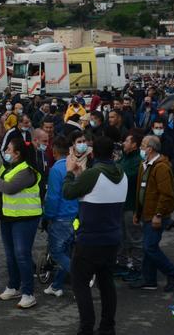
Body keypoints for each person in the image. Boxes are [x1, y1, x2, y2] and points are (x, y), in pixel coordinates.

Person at [63, 136, 127, 335]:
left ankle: (86, 327)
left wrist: (69, 173)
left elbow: (68, 192)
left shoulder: (93, 174)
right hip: (112, 238)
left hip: (90, 240)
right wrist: (82, 174)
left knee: (80, 283)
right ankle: (108, 327)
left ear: (92, 153)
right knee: (106, 282)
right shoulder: (122, 174)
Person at [0, 136, 42, 309]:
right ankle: (13, 286)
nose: (6, 153)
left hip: (25, 219)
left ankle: (28, 293)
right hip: (8, 217)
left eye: (9, 150)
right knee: (10, 254)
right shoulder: (8, 166)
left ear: (18, 154)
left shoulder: (27, 171)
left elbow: (9, 188)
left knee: (22, 255)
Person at [130, 135, 174, 292]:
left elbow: (166, 194)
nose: (140, 148)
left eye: (143, 145)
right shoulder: (144, 164)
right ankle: (149, 279)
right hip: (145, 213)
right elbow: (142, 190)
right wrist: (137, 212)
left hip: (156, 215)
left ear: (150, 149)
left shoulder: (161, 167)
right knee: (148, 247)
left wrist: (158, 214)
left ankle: (173, 272)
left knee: (150, 247)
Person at [42, 135, 79, 297]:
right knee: (67, 252)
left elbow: (53, 197)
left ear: (54, 151)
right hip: (75, 215)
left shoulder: (56, 170)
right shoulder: (75, 167)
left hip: (60, 217)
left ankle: (80, 280)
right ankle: (56, 285)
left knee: (57, 252)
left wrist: (47, 216)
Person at [116, 129, 143, 280]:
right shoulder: (124, 158)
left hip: (131, 205)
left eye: (127, 141)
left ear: (134, 145)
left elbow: (123, 175)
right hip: (121, 203)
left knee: (134, 238)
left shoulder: (137, 161)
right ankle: (122, 263)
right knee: (121, 237)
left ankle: (138, 268)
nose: (123, 143)